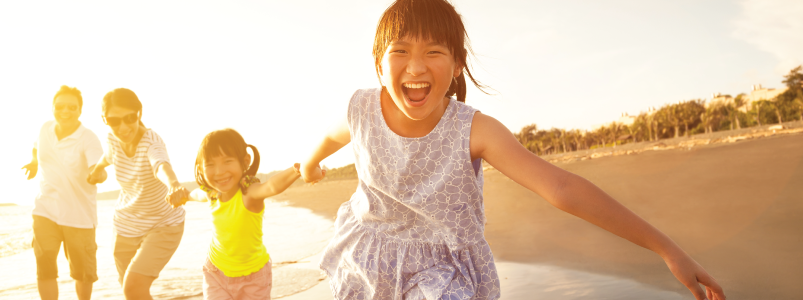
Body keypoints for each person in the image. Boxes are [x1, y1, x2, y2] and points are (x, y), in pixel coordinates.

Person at [298, 1, 726, 299]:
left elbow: (561, 187)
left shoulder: (473, 130)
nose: (416, 66)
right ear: (378, 61)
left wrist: (667, 248)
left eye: (434, 52)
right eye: (400, 51)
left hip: (442, 272)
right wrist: (313, 164)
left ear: (457, 63)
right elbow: (330, 139)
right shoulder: (362, 109)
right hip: (371, 256)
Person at [185, 128, 325, 299]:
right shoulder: (212, 194)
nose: (219, 171)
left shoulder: (248, 194)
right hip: (216, 273)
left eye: (227, 161)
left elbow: (271, 186)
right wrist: (182, 196)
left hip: (254, 277)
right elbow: (194, 194)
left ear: (245, 162)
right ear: (200, 168)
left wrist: (298, 169)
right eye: (210, 165)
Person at [86, 88, 189, 300]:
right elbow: (107, 157)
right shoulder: (113, 140)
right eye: (115, 121)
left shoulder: (152, 143)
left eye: (129, 118)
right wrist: (96, 171)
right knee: (129, 290)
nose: (123, 127)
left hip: (163, 224)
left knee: (133, 288)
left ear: (139, 113)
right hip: (126, 226)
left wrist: (174, 184)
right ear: (105, 120)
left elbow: (160, 164)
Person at [22, 85, 104, 300]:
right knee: (45, 265)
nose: (65, 111)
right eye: (60, 107)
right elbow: (36, 147)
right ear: (52, 108)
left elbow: (98, 169)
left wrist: (96, 176)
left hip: (79, 217)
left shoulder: (88, 138)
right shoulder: (45, 129)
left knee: (83, 273)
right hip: (45, 210)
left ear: (80, 110)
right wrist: (33, 163)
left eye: (71, 107)